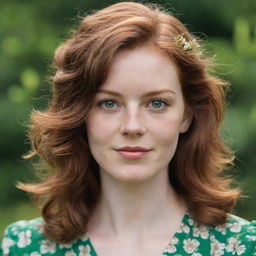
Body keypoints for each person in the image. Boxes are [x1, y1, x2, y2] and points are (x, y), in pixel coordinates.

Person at [1, 2, 256, 256]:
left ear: (187, 115)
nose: (132, 126)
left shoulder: (241, 247)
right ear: (80, 115)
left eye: (157, 103)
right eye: (109, 103)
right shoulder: (25, 247)